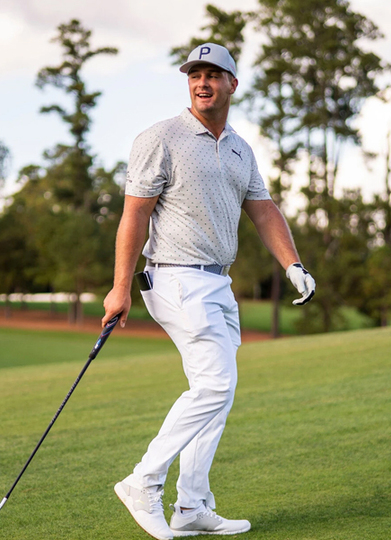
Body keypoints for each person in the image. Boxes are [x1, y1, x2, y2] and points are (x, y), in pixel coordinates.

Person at [102, 43, 316, 540]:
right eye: (195, 74)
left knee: (219, 390)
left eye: (214, 75)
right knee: (215, 385)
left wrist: (293, 265)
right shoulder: (162, 137)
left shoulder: (240, 148)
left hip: (218, 281)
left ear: (232, 84)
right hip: (175, 276)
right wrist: (119, 289)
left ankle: (191, 505)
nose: (203, 82)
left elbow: (263, 209)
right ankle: (142, 481)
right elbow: (134, 214)